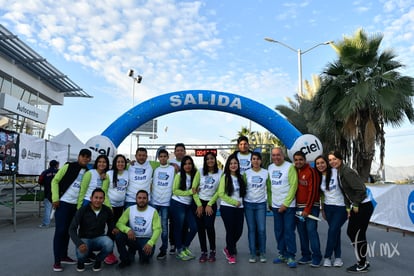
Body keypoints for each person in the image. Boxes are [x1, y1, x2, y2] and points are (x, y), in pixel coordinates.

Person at [328, 151, 374, 273]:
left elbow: (361, 189)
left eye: (335, 159)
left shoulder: (347, 172)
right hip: (357, 206)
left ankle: (362, 263)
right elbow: (346, 193)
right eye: (330, 160)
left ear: (341, 159)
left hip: (364, 206)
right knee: (352, 232)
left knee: (357, 233)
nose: (332, 161)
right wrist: (348, 207)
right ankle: (363, 260)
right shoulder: (339, 172)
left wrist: (356, 204)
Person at [51, 148, 92, 272]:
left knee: (69, 231)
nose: (85, 158)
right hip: (63, 203)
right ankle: (57, 261)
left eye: (87, 157)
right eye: (83, 156)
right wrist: (55, 198)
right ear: (79, 157)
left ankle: (64, 256)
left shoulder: (88, 172)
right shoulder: (68, 166)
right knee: (60, 231)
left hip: (76, 206)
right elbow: (55, 181)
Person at [69, 188, 115, 272]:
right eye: (96, 197)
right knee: (81, 253)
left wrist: (113, 231)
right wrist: (79, 243)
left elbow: (111, 225)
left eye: (101, 198)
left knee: (109, 244)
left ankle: (98, 260)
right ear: (91, 198)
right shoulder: (83, 210)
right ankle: (81, 262)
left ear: (104, 199)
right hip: (84, 239)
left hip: (99, 238)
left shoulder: (107, 210)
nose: (98, 200)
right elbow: (72, 229)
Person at [267, 147, 298, 268]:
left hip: (288, 206)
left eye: (278, 155)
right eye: (274, 155)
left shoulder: (290, 167)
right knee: (278, 231)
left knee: (289, 231)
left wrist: (285, 204)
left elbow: (293, 186)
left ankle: (291, 255)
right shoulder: (270, 167)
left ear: (283, 155)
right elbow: (269, 187)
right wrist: (270, 202)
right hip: (275, 206)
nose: (276, 157)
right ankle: (282, 253)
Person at [315, 155, 347, 268]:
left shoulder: (336, 171)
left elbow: (346, 187)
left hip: (341, 207)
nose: (320, 165)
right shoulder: (318, 176)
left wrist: (351, 206)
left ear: (327, 163)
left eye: (322, 162)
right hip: (328, 208)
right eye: (317, 163)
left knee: (332, 230)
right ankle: (338, 257)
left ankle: (327, 257)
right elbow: (322, 195)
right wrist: (322, 209)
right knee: (335, 232)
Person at [115, 190, 161, 268]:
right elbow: (119, 223)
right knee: (119, 236)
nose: (142, 200)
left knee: (145, 260)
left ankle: (137, 252)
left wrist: (151, 242)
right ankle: (125, 259)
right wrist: (127, 230)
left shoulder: (153, 211)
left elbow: (157, 229)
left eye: (144, 198)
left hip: (146, 239)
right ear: (136, 199)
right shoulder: (130, 209)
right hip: (132, 238)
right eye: (139, 198)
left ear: (147, 199)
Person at [294, 150, 322, 267]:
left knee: (311, 231)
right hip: (298, 207)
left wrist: (307, 208)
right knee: (302, 232)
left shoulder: (311, 171)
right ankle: (306, 255)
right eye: (296, 160)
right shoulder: (294, 171)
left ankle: (317, 257)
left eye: (301, 159)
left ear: (305, 160)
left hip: (311, 207)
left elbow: (313, 191)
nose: (298, 162)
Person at [193, 152, 222, 263]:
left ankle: (212, 251)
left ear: (215, 160)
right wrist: (199, 205)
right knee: (200, 228)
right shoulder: (200, 172)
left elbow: (219, 191)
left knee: (209, 226)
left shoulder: (220, 173)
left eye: (212, 158)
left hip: (211, 203)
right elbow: (194, 189)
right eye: (207, 159)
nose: (210, 160)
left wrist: (210, 204)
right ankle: (203, 252)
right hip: (199, 203)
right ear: (205, 161)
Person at [218, 153, 246, 264]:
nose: (233, 165)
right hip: (227, 207)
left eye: (235, 163)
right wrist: (234, 202)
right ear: (228, 165)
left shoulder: (241, 177)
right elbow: (221, 193)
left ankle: (228, 247)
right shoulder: (225, 177)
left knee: (239, 231)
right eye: (231, 163)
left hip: (240, 208)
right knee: (230, 231)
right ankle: (230, 253)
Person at [170, 155, 198, 261]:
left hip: (188, 205)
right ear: (182, 165)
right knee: (179, 228)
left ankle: (185, 247)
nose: (187, 166)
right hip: (177, 203)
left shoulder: (195, 175)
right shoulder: (179, 175)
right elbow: (175, 190)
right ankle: (179, 250)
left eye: (189, 163)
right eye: (185, 164)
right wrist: (189, 192)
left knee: (194, 227)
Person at [243, 152, 269, 263]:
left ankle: (262, 252)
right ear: (251, 161)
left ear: (261, 161)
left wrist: (270, 203)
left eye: (258, 159)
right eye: (253, 159)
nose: (256, 161)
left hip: (261, 205)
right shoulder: (246, 173)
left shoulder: (266, 173)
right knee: (252, 230)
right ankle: (253, 253)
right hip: (248, 204)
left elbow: (270, 189)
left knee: (261, 230)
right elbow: (242, 188)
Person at [104, 154, 129, 265]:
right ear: (115, 163)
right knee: (111, 230)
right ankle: (108, 253)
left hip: (121, 207)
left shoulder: (127, 173)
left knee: (118, 230)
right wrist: (109, 206)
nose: (120, 164)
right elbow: (103, 191)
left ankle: (118, 253)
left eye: (122, 162)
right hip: (110, 207)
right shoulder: (109, 174)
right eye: (118, 162)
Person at [150, 149, 175, 260]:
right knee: (151, 227)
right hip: (154, 202)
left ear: (167, 157)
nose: (163, 158)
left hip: (166, 203)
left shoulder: (172, 169)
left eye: (165, 156)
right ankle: (149, 248)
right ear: (158, 158)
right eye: (161, 156)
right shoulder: (155, 169)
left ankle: (163, 249)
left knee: (164, 228)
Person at [168, 143, 187, 254]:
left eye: (181, 150)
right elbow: (156, 164)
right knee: (173, 223)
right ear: (174, 152)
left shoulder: (189, 163)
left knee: (184, 223)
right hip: (173, 198)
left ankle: (183, 243)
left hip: (185, 199)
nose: (179, 152)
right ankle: (173, 244)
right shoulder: (170, 164)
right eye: (177, 150)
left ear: (184, 152)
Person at [38, 160, 59, 228]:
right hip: (57, 193)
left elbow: (40, 181)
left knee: (47, 209)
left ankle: (46, 224)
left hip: (47, 193)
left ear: (49, 165)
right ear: (56, 165)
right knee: (58, 209)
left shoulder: (45, 172)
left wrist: (45, 183)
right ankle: (59, 223)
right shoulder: (59, 172)